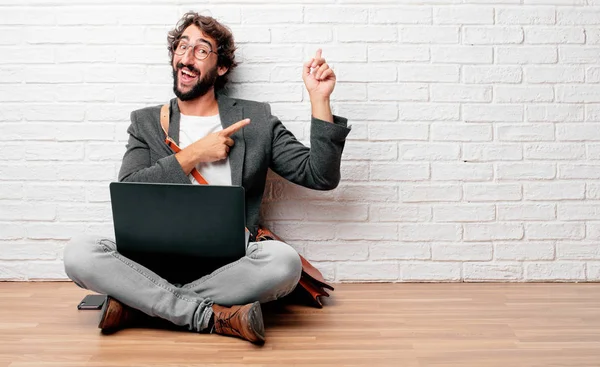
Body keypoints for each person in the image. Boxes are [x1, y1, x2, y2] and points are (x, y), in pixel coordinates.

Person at [63, 11, 350, 344]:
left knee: (283, 263)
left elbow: (320, 175)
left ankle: (139, 305)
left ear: (222, 66)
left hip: (231, 265)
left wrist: (320, 100)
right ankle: (209, 316)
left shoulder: (255, 119)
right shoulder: (145, 122)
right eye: (181, 47)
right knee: (79, 252)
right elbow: (130, 187)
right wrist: (195, 154)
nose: (186, 57)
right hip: (152, 260)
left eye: (201, 50)